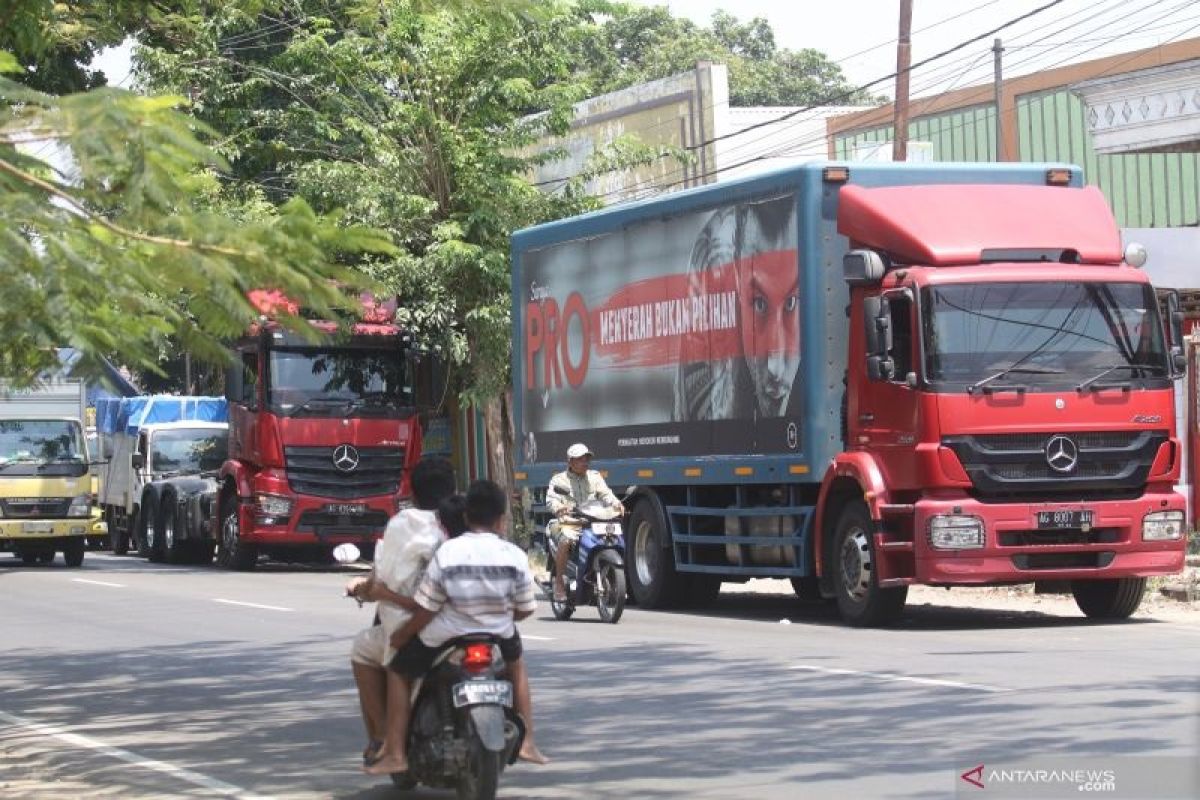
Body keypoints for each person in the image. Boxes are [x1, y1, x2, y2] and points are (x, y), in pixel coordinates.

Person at [365, 479, 542, 775]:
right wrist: (499, 617)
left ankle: (395, 752)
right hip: (498, 635)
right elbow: (524, 609)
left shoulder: (448, 553)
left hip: (446, 636)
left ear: (466, 516)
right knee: (517, 666)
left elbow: (427, 609)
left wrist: (401, 636)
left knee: (398, 670)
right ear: (501, 520)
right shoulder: (515, 555)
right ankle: (529, 742)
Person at [346, 457, 456, 767]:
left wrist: (370, 590)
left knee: (365, 649)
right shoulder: (466, 520)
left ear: (413, 492)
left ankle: (385, 741)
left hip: (418, 626)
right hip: (474, 626)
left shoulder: (406, 523)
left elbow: (388, 581)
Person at [545, 443, 623, 603]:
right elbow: (551, 500)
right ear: (570, 462)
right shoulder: (559, 480)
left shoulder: (594, 477)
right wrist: (560, 507)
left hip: (592, 521)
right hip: (569, 522)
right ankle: (559, 583)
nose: (585, 462)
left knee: (614, 537)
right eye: (580, 459)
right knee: (566, 540)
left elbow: (606, 494)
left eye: (586, 458)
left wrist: (616, 504)